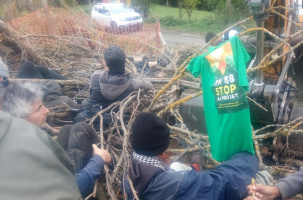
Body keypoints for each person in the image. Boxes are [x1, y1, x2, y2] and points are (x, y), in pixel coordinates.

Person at [0, 82, 112, 198]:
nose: (46, 110)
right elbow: (70, 189)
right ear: (21, 118)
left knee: (67, 130)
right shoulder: (25, 157)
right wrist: (98, 159)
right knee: (80, 128)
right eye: (39, 109)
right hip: (70, 189)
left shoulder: (14, 138)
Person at [123, 112, 259, 200]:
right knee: (261, 179)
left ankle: (195, 168)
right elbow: (223, 182)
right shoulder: (177, 184)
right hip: (186, 185)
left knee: (176, 166)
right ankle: (197, 169)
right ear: (161, 151)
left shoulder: (130, 170)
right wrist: (246, 156)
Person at [75, 45, 153, 128]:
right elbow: (150, 85)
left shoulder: (96, 76)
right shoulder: (132, 84)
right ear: (124, 62)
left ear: (106, 64)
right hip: (114, 121)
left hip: (90, 118)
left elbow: (91, 92)